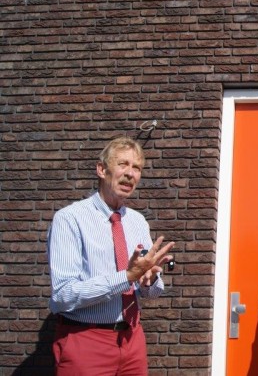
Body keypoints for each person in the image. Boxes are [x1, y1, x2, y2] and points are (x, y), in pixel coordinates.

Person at [47, 136, 175, 375]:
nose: (130, 174)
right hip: (85, 339)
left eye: (136, 168)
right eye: (123, 164)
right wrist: (127, 277)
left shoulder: (138, 221)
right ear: (101, 169)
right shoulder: (70, 219)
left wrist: (149, 282)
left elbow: (151, 290)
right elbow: (63, 295)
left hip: (132, 339)